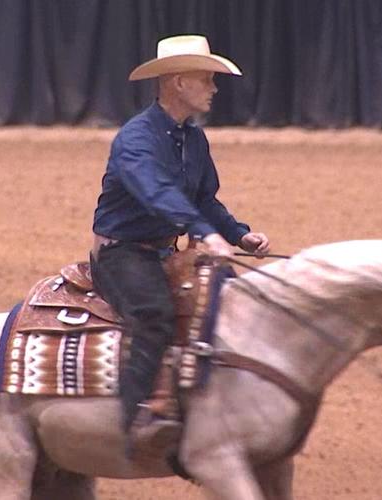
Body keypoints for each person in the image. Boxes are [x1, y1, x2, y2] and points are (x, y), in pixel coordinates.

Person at [89, 34, 270, 453]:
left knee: (220, 304)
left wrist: (238, 233)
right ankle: (130, 421)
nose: (214, 88)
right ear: (177, 83)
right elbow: (157, 193)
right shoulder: (135, 139)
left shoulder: (193, 140)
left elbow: (203, 197)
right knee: (154, 315)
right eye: (206, 79)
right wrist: (203, 233)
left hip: (163, 251)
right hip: (121, 252)